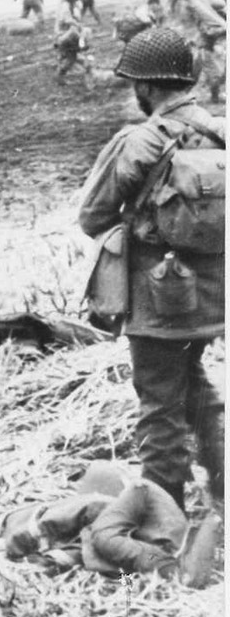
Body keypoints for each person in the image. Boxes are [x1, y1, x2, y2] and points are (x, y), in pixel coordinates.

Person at [77, 27, 224, 511]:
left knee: (159, 404)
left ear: (145, 87)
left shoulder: (138, 140)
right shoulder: (220, 130)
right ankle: (223, 484)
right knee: (192, 380)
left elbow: (93, 216)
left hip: (158, 296)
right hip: (213, 295)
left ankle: (165, 513)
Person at [55, 20, 94, 88]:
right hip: (66, 47)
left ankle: (89, 74)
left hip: (67, 46)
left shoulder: (77, 31)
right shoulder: (77, 35)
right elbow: (81, 47)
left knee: (81, 61)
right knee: (70, 61)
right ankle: (60, 77)